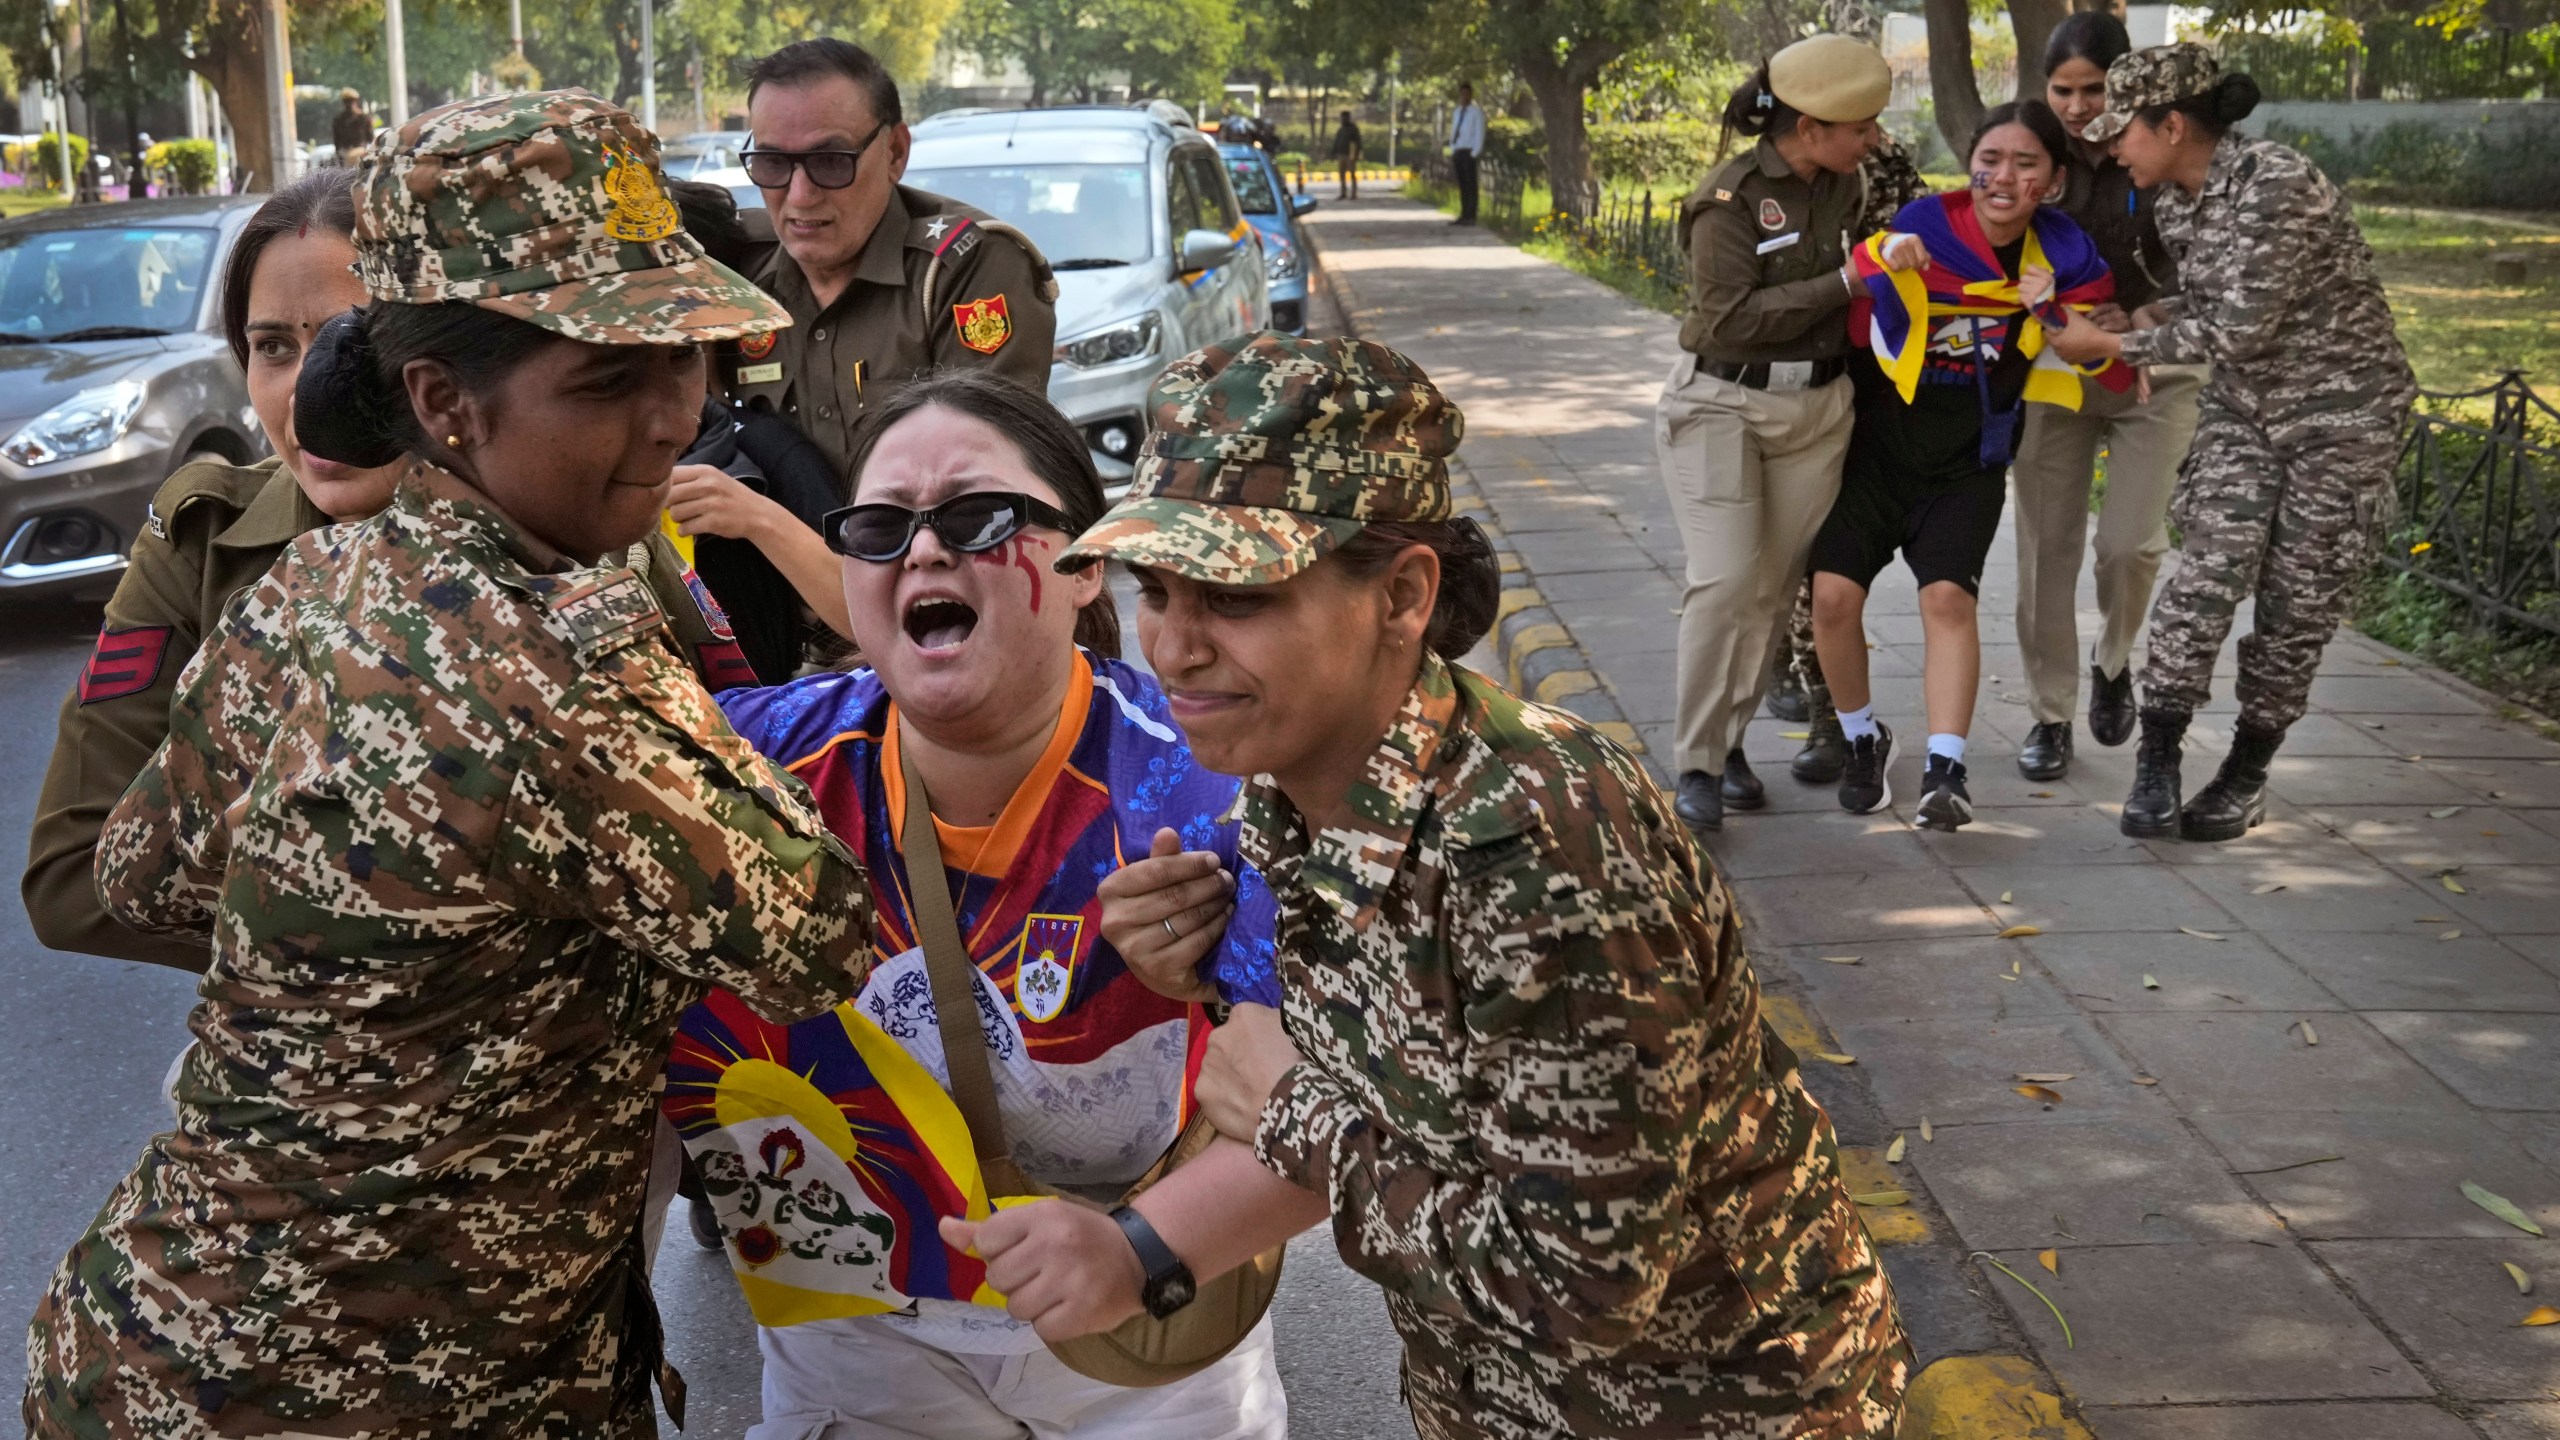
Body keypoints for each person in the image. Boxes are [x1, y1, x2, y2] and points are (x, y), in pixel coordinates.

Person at [22, 91, 879, 1436]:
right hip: (397, 1395)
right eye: (607, 379)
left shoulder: (315, 577)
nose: (671, 419)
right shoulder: (563, 669)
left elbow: (143, 871)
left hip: (155, 1349)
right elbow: (820, 935)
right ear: (443, 403)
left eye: (689, 358)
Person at [995, 332, 1912, 1439]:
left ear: (1403, 595)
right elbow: (1402, 1077)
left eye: (1233, 600)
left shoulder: (1544, 847)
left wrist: (1294, 1116)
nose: (1174, 649)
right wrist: (1201, 974)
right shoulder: (1294, 790)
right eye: (1158, 591)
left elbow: (1587, 1287)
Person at [662, 369, 1303, 1438]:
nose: (921, 550)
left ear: (1085, 565)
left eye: (977, 515)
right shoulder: (741, 762)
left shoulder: (1203, 786)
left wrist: (1137, 1252)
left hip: (1140, 1339)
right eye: (878, 526)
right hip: (854, 1342)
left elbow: (1327, 1112)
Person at [22, 169, 762, 972]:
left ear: (436, 376)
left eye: (349, 344)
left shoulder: (575, 512)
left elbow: (752, 762)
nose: (313, 394)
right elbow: (72, 881)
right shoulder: (207, 534)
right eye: (273, 348)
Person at [2044, 45, 2415, 841]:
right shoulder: (2178, 199)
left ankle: (2246, 772)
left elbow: (2240, 329)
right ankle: (2159, 758)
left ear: (2173, 124)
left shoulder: (2276, 184)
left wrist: (2107, 350)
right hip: (2248, 414)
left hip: (2341, 423)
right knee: (2205, 575)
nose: (2110, 147)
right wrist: (2141, 318)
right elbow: (2215, 297)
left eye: (2124, 133)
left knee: (2296, 602)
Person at [1812, 100, 2128, 831]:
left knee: (1946, 600)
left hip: (1969, 457)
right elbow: (1861, 269)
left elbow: (2102, 362)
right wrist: (1884, 258)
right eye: (1991, 160)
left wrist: (2048, 311)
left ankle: (1945, 770)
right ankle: (1863, 739)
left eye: (2026, 164)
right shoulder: (1927, 223)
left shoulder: (2065, 250)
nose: (2003, 177)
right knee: (1832, 598)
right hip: (1876, 447)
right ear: (1971, 163)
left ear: (2051, 180)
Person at [1655, 35, 1890, 831]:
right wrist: (1846, 283)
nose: (1874, 139)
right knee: (1722, 580)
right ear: (1813, 124)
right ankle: (1694, 764)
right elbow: (1725, 318)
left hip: (1817, 411)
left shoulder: (1846, 182)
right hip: (1723, 402)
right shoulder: (1730, 199)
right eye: (1861, 126)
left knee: (1767, 595)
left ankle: (1724, 747)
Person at [2008, 13, 2201, 782]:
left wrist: (2145, 320)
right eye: (2065, 89)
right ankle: (2049, 715)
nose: (2081, 106)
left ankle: (2114, 659)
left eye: (2095, 89)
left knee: (2129, 544)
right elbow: (1987, 231)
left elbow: (2216, 273)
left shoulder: (2165, 148)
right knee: (2044, 551)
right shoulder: (2033, 150)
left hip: (2156, 370)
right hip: (2056, 370)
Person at [735, 38, 1060, 481]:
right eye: (771, 163)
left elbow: (977, 483)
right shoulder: (739, 275)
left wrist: (772, 529)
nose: (800, 195)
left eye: (831, 161)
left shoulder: (960, 270)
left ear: (895, 153)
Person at [1768, 130, 1933, 785]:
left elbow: (1921, 236)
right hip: (1792, 374)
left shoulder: (1883, 158)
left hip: (1875, 369)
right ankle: (1808, 685)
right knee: (1795, 545)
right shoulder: (1769, 170)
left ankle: (1831, 714)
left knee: (1829, 552)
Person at [1445, 83, 1484, 225]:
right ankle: (1463, 213)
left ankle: (1471, 215)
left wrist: (1475, 151)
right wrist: (1453, 147)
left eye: (1467, 94)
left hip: (1469, 151)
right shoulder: (1458, 111)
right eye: (1462, 94)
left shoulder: (1476, 112)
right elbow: (1454, 130)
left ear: (1471, 94)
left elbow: (1479, 132)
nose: (1464, 97)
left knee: (1471, 184)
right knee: (1462, 184)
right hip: (1459, 150)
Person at [332, 89, 372, 164]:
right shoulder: (338, 119)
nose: (349, 104)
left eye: (351, 101)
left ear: (356, 101)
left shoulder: (364, 118)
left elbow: (370, 138)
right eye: (347, 101)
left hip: (360, 152)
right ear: (343, 102)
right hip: (345, 152)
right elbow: (336, 140)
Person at [1330, 109, 1363, 199]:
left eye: (1345, 117)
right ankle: (1343, 193)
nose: (1343, 119)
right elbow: (1337, 142)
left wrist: (1356, 155)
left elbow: (1358, 143)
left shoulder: (1353, 129)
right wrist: (1334, 152)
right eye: (1342, 117)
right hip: (1341, 155)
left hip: (1350, 155)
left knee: (1352, 174)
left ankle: (1354, 193)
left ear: (1349, 118)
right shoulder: (1341, 129)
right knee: (1342, 175)